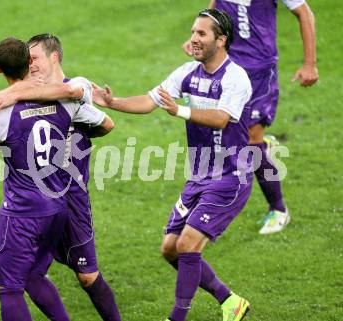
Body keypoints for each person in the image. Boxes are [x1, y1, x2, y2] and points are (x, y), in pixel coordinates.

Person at [0, 34, 121, 321]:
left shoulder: (70, 88)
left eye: (37, 56)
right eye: (30, 59)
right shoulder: (62, 103)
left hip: (58, 199)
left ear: (53, 57)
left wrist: (15, 95)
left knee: (82, 277)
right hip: (47, 201)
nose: (34, 64)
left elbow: (87, 103)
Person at [93, 9, 252, 321]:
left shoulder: (236, 77)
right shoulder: (187, 72)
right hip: (200, 175)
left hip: (231, 176)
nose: (193, 39)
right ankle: (230, 302)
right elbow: (152, 100)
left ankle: (177, 317)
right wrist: (113, 102)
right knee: (170, 248)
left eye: (201, 34)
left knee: (189, 244)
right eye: (193, 32)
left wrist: (179, 111)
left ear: (220, 41)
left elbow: (221, 119)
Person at [182, 0, 319, 234]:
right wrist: (200, 37)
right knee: (219, 135)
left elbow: (304, 13)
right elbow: (215, 4)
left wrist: (309, 64)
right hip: (227, 66)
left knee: (251, 141)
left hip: (259, 71)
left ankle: (279, 210)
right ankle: (210, 202)